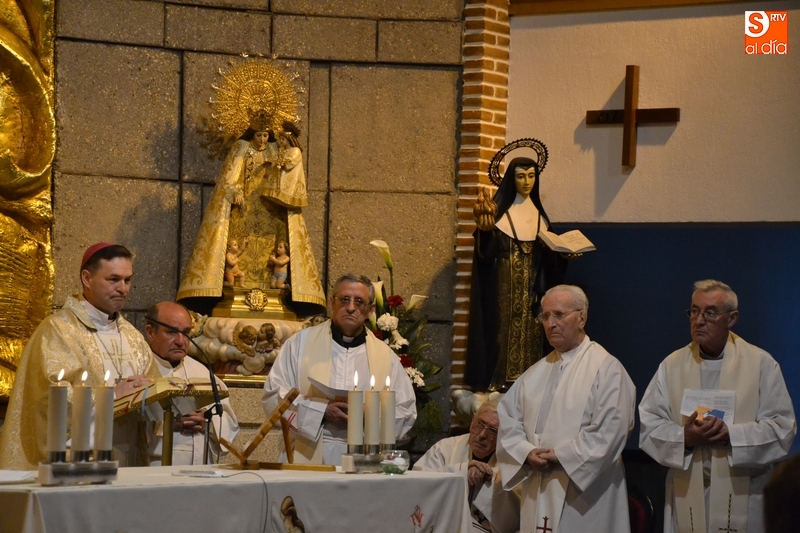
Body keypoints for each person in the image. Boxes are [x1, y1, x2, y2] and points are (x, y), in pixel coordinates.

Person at [639, 280, 796, 533]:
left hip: (744, 492)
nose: (699, 320)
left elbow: (782, 428)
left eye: (710, 313)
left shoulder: (761, 364)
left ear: (731, 318)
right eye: (694, 311)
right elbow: (650, 425)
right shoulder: (672, 365)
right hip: (687, 491)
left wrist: (730, 436)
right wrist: (685, 438)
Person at [0, 243, 157, 469]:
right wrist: (112, 396)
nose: (123, 288)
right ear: (87, 278)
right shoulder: (58, 330)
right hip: (79, 465)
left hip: (130, 462)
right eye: (113, 279)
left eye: (127, 280)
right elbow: (49, 399)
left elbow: (152, 387)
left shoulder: (133, 337)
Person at [497, 284, 635, 533]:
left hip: (585, 498)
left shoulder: (607, 369)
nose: (550, 324)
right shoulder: (534, 374)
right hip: (538, 486)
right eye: (545, 316)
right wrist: (526, 452)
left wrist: (560, 455)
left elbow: (610, 432)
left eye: (559, 315)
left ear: (581, 318)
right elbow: (508, 420)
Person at [262, 273, 416, 465]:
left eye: (359, 302)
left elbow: (406, 412)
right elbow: (274, 395)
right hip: (306, 456)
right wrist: (321, 410)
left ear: (370, 310)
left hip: (364, 460)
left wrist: (367, 413)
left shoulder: (386, 357)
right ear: (332, 303)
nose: (351, 307)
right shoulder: (299, 344)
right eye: (344, 299)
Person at [177, 114, 324, 315]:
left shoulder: (275, 149)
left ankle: (273, 288)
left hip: (270, 210)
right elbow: (229, 178)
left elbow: (288, 166)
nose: (262, 140)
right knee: (238, 248)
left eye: (266, 135)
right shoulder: (241, 148)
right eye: (258, 135)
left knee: (273, 250)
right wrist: (235, 192)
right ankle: (234, 286)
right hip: (243, 211)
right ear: (251, 134)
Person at [465, 156, 568, 392]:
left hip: (533, 290)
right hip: (504, 288)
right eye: (521, 176)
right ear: (512, 179)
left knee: (534, 333)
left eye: (531, 176)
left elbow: (551, 263)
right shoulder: (499, 215)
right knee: (501, 332)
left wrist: (564, 256)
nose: (527, 181)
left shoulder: (540, 217)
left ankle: (531, 383)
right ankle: (498, 382)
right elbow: (484, 256)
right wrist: (485, 233)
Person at [144, 301, 239, 465]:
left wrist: (207, 421)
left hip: (200, 470)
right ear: (151, 332)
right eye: (171, 332)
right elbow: (123, 429)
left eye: (186, 333)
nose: (181, 341)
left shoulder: (202, 372)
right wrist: (165, 424)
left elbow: (229, 423)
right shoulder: (138, 369)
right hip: (153, 469)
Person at [414, 401, 520, 533]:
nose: (482, 435)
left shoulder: (512, 462)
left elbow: (515, 514)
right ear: (472, 421)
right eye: (480, 424)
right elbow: (418, 485)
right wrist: (462, 471)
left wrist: (489, 479)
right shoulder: (443, 449)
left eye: (493, 430)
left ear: (504, 434)